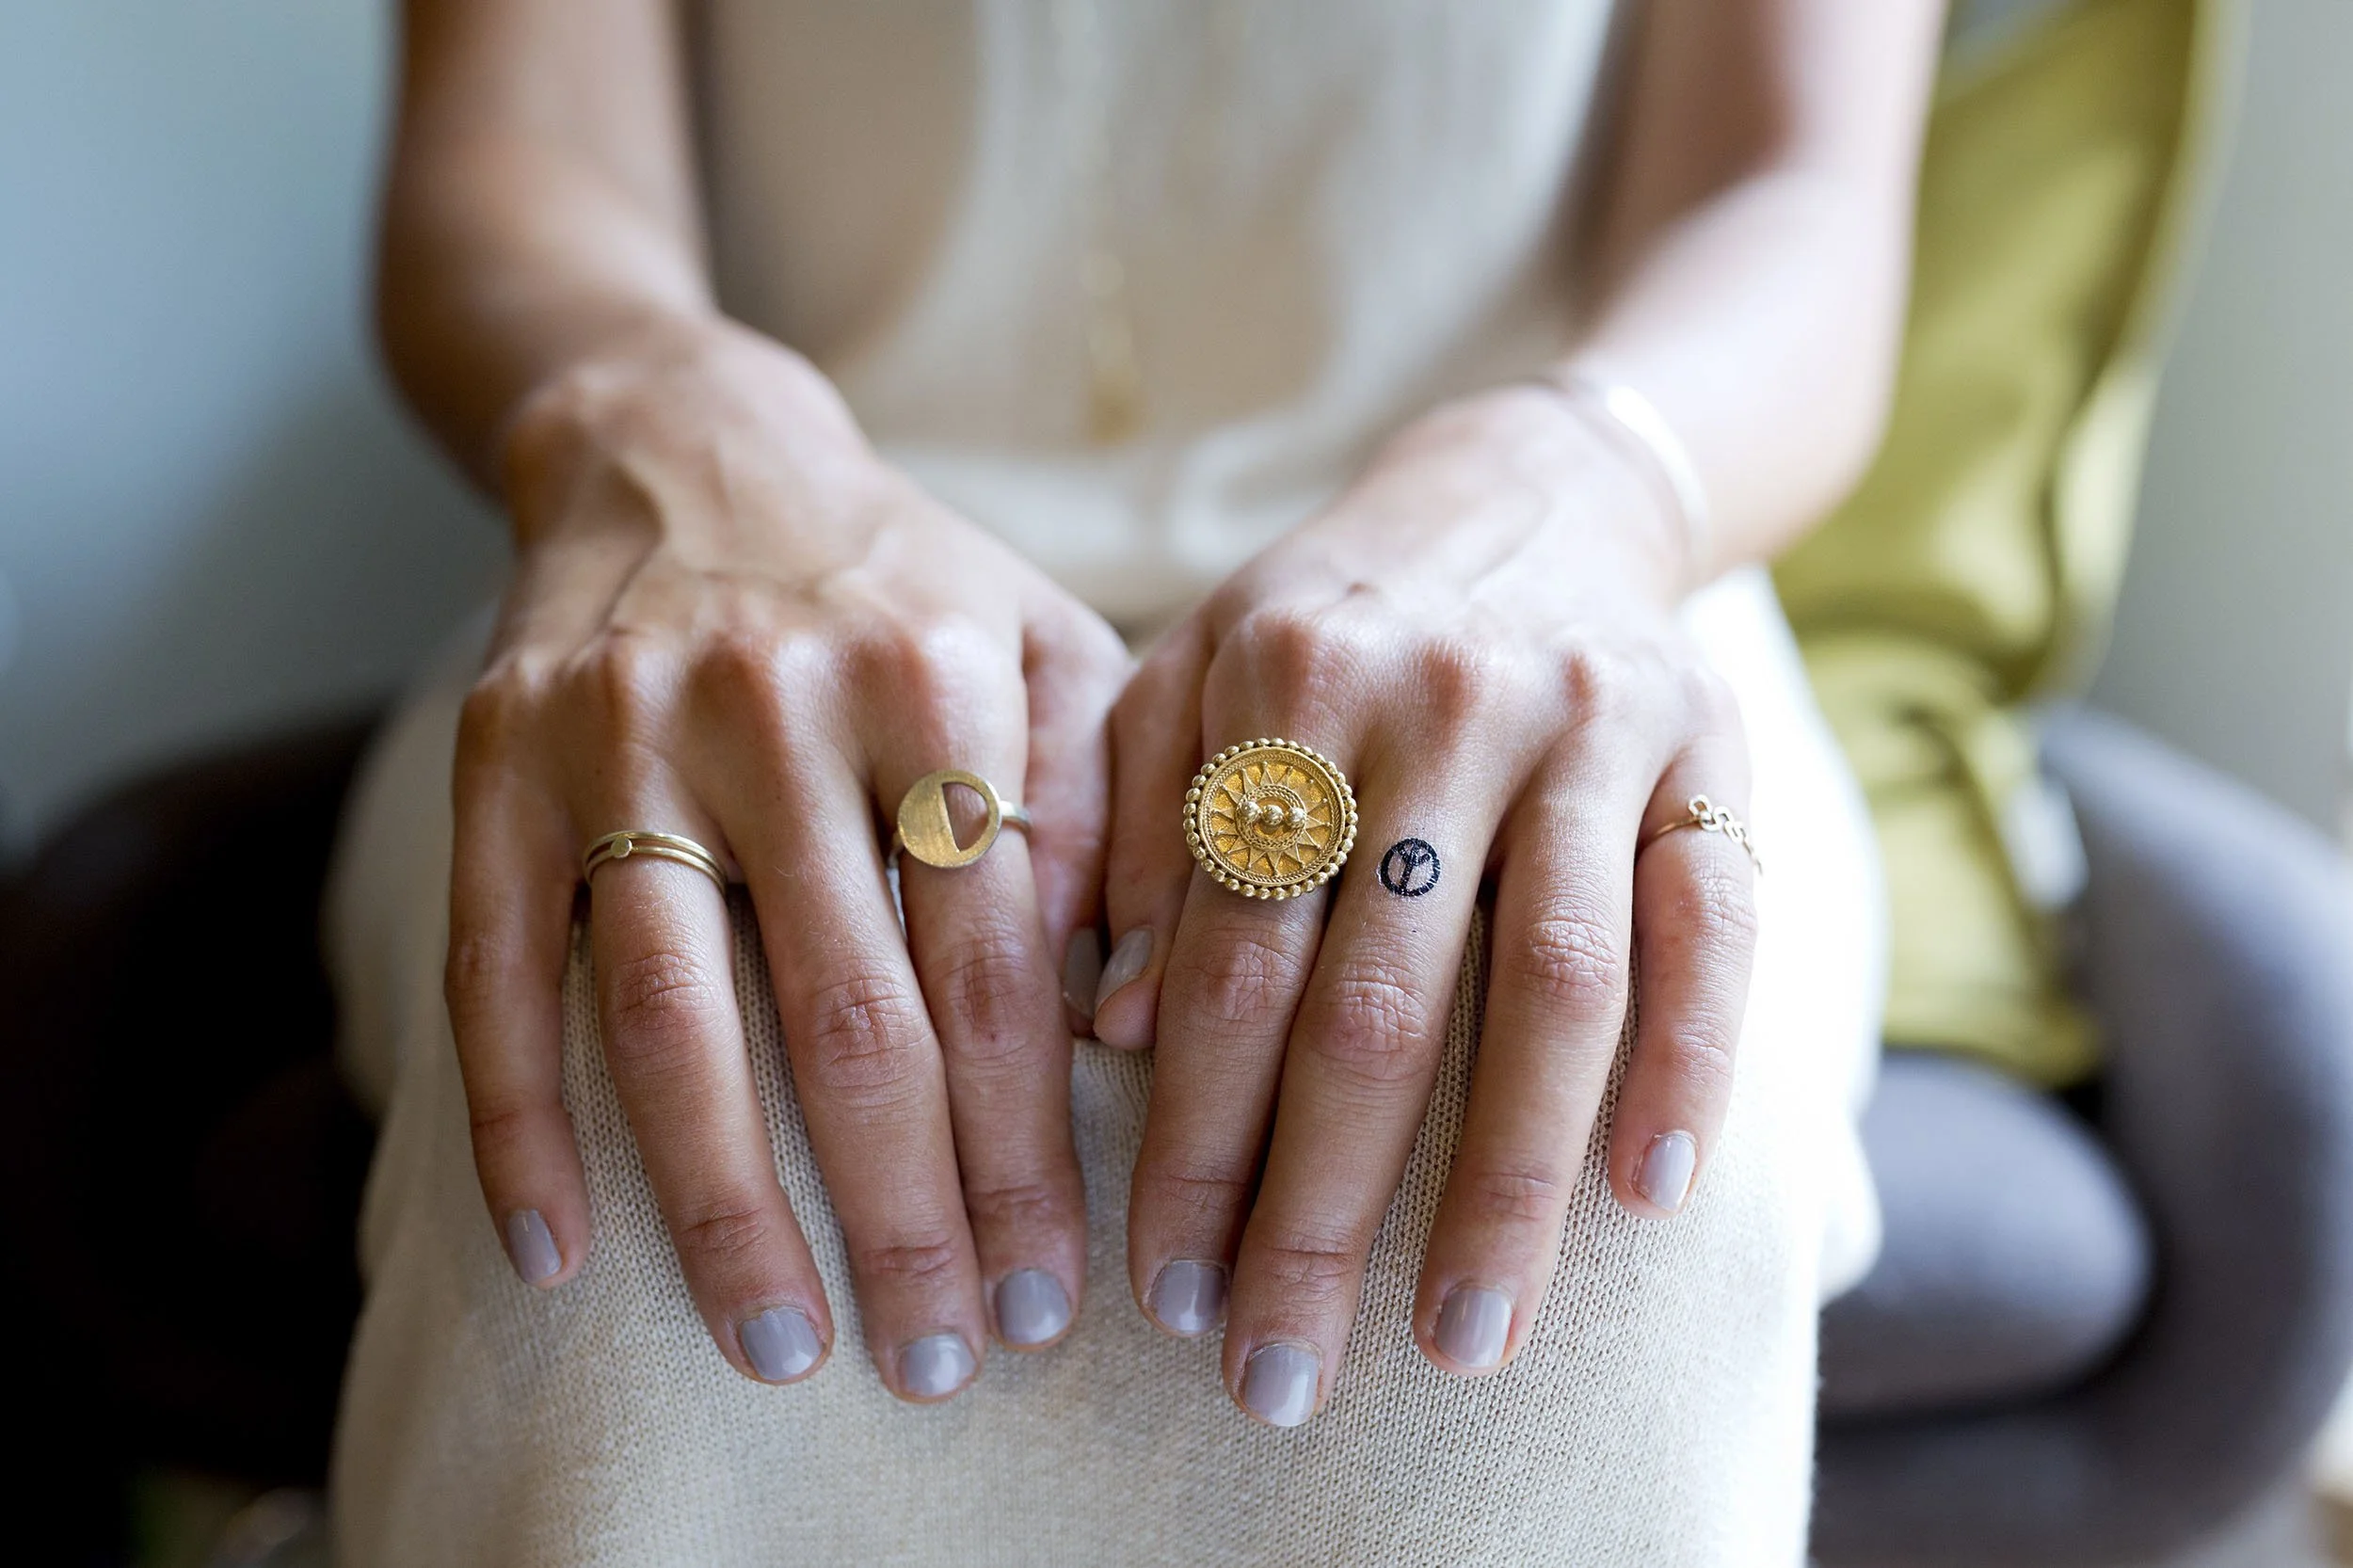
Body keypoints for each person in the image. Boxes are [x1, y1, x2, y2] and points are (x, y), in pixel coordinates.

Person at [328, 1, 1943, 1561]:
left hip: (1549, 584)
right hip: (741, 578)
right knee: (658, 1069)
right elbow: (520, 145)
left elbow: (1794, 190)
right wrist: (674, 427)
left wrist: (1584, 480)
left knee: (1561, 1113)